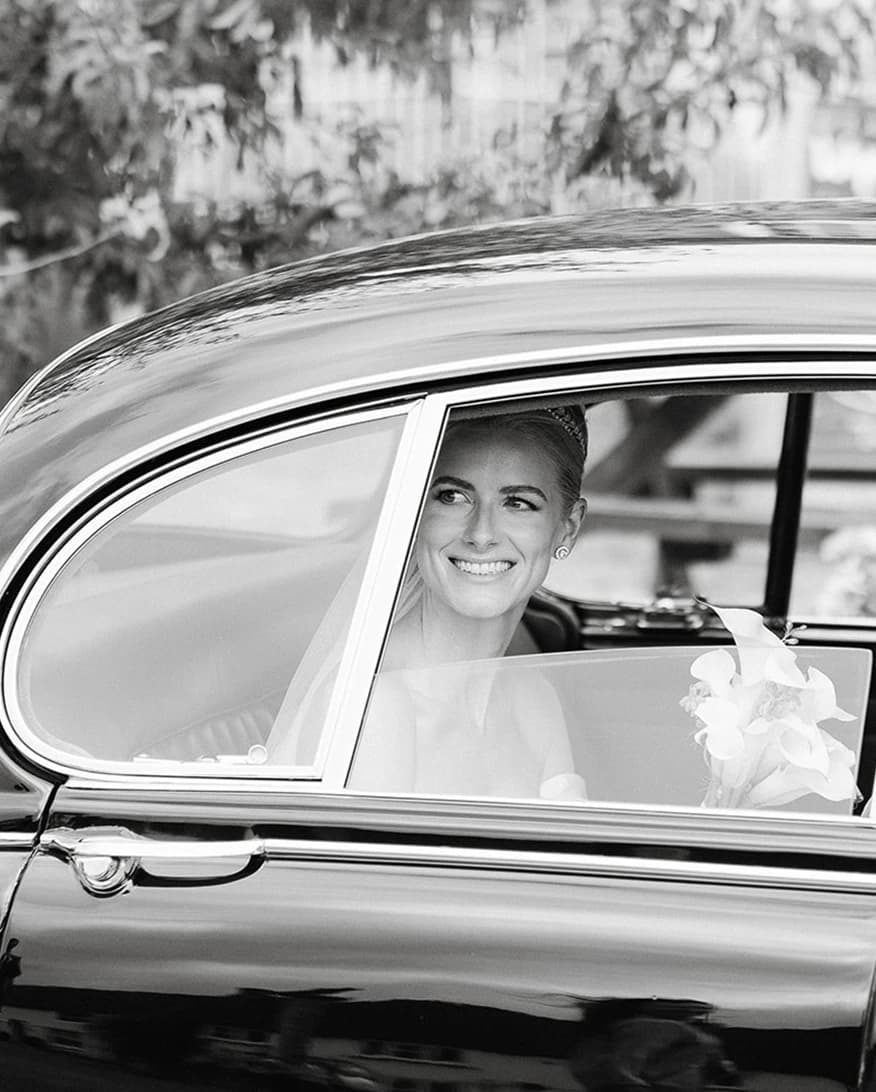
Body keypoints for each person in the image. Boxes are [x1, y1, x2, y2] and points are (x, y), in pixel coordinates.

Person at [347, 406, 589, 799]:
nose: (481, 534)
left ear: (569, 527)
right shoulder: (378, 710)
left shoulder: (534, 697)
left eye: (518, 503)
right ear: (414, 512)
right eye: (453, 496)